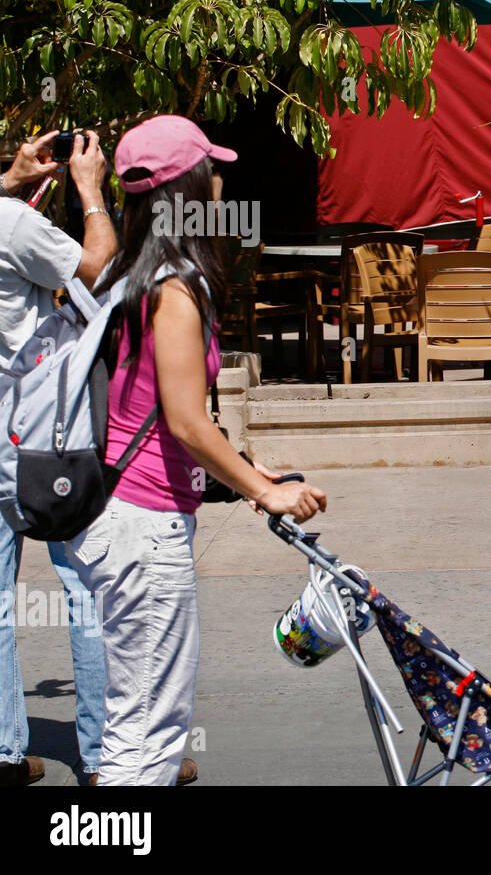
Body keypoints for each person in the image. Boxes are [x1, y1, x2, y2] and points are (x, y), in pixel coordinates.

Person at [68, 115, 327, 786]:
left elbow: (147, 406)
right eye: (211, 169)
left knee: (136, 720)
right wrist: (262, 490)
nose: (221, 180)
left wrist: (240, 468)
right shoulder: (175, 286)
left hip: (117, 517)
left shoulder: (129, 270)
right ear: (188, 187)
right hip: (144, 529)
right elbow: (184, 420)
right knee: (148, 736)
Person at [0, 130, 117, 786]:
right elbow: (97, 270)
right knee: (88, 591)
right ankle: (106, 759)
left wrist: (13, 181)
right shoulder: (12, 225)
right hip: (41, 439)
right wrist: (90, 190)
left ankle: (4, 753)